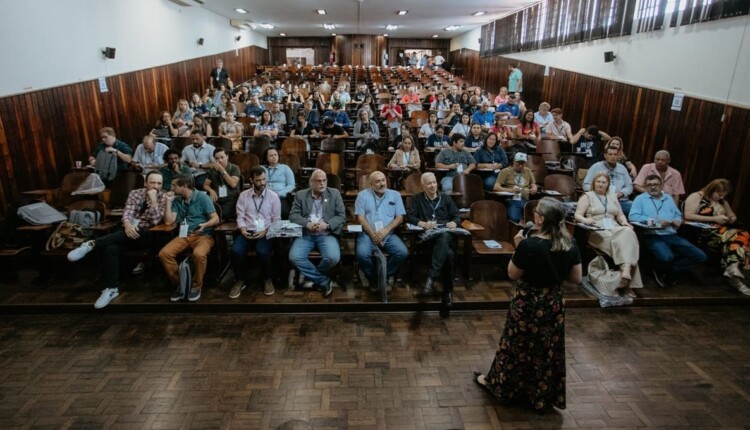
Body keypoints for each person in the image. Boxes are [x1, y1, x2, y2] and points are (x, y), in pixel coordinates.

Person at [474, 198, 581, 412]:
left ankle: (505, 387)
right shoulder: (570, 243)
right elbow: (576, 279)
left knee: (516, 346)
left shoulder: (529, 244)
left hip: (528, 302)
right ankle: (539, 393)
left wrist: (518, 245)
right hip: (553, 303)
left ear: (540, 219)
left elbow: (513, 273)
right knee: (546, 349)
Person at [67, 171, 168, 308]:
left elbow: (156, 221)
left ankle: (91, 244)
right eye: (152, 182)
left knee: (138, 230)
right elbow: (127, 213)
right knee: (110, 248)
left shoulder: (163, 197)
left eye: (159, 183)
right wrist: (127, 225)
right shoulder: (135, 193)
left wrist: (154, 201)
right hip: (127, 232)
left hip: (148, 235)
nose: (156, 186)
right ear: (145, 183)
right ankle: (111, 289)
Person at [629, 174, 707, 287]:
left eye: (655, 184)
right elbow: (633, 217)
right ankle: (667, 271)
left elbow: (678, 215)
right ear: (645, 187)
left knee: (700, 256)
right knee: (667, 257)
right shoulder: (640, 199)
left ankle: (667, 270)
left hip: (671, 235)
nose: (652, 187)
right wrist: (656, 221)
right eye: (649, 185)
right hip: (653, 236)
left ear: (661, 185)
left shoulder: (669, 198)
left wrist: (677, 220)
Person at [574, 172, 642, 296]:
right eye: (598, 181)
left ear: (608, 185)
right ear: (594, 183)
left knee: (628, 231)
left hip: (614, 227)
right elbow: (577, 215)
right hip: (597, 229)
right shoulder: (587, 196)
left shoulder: (613, 196)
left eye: (603, 182)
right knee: (628, 248)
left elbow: (620, 215)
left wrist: (625, 222)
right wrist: (586, 220)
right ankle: (627, 281)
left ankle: (625, 269)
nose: (600, 184)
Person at [159, 174, 220, 302]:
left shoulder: (203, 197)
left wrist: (205, 225)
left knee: (198, 254)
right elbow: (169, 222)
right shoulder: (176, 200)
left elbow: (215, 219)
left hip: (203, 235)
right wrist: (168, 203)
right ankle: (181, 284)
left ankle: (196, 286)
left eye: (174, 185)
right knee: (164, 254)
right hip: (184, 235)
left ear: (184, 186)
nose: (171, 188)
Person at [684, 179, 750, 294]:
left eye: (723, 195)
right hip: (703, 231)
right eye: (719, 194)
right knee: (741, 237)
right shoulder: (697, 196)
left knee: (739, 239)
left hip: (722, 231)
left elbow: (732, 216)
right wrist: (714, 219)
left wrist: (731, 218)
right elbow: (688, 215)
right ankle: (733, 273)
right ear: (711, 189)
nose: (721, 197)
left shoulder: (722, 200)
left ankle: (733, 270)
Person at [406, 172, 461, 306]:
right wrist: (422, 223)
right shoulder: (417, 199)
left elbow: (457, 216)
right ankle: (447, 292)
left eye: (434, 182)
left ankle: (431, 279)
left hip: (445, 235)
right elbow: (410, 217)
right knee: (448, 253)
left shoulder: (445, 198)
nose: (432, 186)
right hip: (428, 240)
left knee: (444, 236)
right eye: (429, 183)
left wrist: (454, 222)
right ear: (423, 185)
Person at [288, 169, 346, 297]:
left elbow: (342, 216)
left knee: (333, 258)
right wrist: (307, 223)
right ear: (311, 183)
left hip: (326, 234)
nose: (322, 184)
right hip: (307, 234)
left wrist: (327, 224)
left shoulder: (334, 194)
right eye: (318, 181)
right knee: (294, 257)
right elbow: (293, 215)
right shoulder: (301, 195)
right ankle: (323, 280)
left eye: (324, 180)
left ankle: (312, 277)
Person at [230, 166, 281, 299]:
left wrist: (266, 231)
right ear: (251, 180)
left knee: (262, 251)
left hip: (265, 231)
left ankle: (267, 279)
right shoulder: (243, 196)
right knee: (236, 250)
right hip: (247, 231)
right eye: (258, 180)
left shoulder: (273, 196)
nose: (262, 183)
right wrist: (242, 228)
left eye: (264, 179)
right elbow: (240, 216)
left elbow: (276, 220)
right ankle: (240, 280)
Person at [354, 171, 408, 294]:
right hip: (368, 234)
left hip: (388, 234)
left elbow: (400, 217)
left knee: (402, 252)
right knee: (362, 255)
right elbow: (360, 218)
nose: (381, 184)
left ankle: (383, 275)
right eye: (377, 181)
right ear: (371, 184)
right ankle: (371, 277)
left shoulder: (395, 195)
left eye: (383, 180)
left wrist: (385, 230)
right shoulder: (362, 195)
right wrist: (373, 234)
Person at [583, 146, 634, 215]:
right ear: (605, 155)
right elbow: (586, 185)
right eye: (610, 154)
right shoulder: (596, 167)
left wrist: (621, 194)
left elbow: (629, 186)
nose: (613, 156)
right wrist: (599, 193)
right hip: (600, 199)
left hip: (619, 201)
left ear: (618, 156)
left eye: (615, 154)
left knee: (634, 207)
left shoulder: (622, 168)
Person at [493, 153, 538, 222]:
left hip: (525, 198)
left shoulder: (527, 170)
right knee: (515, 218)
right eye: (518, 164)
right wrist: (510, 190)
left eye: (523, 164)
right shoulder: (505, 171)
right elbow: (496, 187)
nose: (520, 166)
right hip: (512, 199)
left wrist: (534, 188)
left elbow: (533, 184)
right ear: (513, 162)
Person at [202, 147, 241, 220]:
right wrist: (211, 191)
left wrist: (222, 170)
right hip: (217, 198)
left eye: (222, 157)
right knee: (207, 213)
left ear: (227, 156)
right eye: (217, 158)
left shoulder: (234, 168)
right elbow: (205, 185)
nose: (219, 160)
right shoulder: (213, 170)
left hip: (230, 197)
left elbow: (233, 184)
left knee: (223, 214)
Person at [263, 147, 295, 219]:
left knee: (284, 213)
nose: (274, 157)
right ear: (266, 158)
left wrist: (280, 193)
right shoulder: (262, 169)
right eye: (271, 156)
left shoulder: (285, 168)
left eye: (275, 155)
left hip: (280, 197)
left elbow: (291, 185)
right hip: (265, 196)